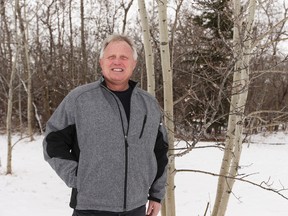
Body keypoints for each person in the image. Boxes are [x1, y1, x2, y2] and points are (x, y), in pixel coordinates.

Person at [43, 34, 169, 216]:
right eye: (111, 57)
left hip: (136, 208)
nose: (117, 62)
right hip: (90, 208)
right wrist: (79, 177)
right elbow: (52, 141)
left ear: (133, 64)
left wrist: (156, 195)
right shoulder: (80, 99)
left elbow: (160, 151)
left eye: (124, 57)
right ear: (102, 62)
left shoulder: (148, 104)